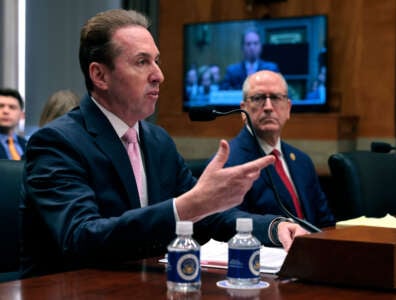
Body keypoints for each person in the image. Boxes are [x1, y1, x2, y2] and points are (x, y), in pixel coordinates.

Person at [20, 9, 307, 278]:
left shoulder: (157, 140)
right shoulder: (57, 142)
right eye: (142, 62)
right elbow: (81, 238)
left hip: (148, 285)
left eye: (156, 61)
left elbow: (203, 214)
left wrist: (272, 226)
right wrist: (184, 208)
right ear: (100, 75)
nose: (159, 75)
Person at [224, 70, 335, 228]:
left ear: (288, 108)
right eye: (259, 98)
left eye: (276, 98)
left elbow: (325, 223)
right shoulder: (230, 162)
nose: (268, 107)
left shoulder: (302, 161)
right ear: (243, 110)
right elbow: (226, 224)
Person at [0, 88, 26, 160]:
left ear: (22, 115)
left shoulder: (28, 145)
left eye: (12, 107)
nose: (6, 111)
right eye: (0, 106)